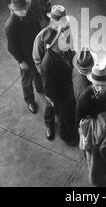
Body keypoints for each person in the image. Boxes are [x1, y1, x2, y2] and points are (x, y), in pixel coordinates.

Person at [76, 63, 106, 186]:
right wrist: (94, 124)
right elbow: (78, 119)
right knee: (93, 157)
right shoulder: (85, 97)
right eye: (97, 85)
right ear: (92, 83)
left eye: (103, 85)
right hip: (92, 133)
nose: (100, 89)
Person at [39, 15, 77, 146]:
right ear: (55, 42)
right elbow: (49, 89)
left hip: (66, 89)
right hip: (60, 96)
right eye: (60, 36)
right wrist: (55, 102)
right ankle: (66, 136)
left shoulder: (61, 51)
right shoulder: (48, 64)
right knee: (64, 116)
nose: (63, 37)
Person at [4, 0, 43, 114]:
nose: (24, 11)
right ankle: (30, 100)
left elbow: (37, 27)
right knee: (27, 80)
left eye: (25, 8)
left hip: (36, 50)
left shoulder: (29, 12)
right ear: (14, 10)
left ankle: (40, 87)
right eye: (21, 10)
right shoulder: (11, 25)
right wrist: (21, 61)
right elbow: (11, 47)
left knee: (38, 71)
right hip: (25, 56)